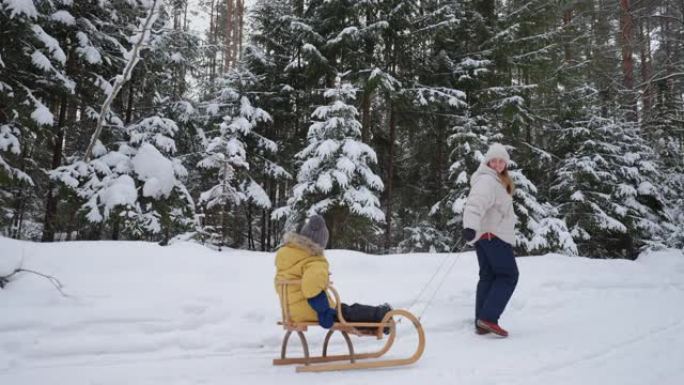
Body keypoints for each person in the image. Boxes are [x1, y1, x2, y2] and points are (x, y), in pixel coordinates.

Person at [274, 214, 392, 333]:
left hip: (291, 311)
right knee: (346, 312)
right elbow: (311, 288)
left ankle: (378, 320)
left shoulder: (286, 255)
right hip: (311, 310)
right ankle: (381, 315)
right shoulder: (314, 260)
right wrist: (324, 311)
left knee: (344, 311)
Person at [462, 143, 519, 337]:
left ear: (505, 163)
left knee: (488, 276)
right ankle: (488, 318)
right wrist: (469, 225)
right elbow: (475, 203)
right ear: (487, 162)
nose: (497, 164)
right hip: (493, 236)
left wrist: (473, 229)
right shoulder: (488, 180)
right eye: (493, 160)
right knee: (508, 275)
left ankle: (481, 321)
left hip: (485, 236)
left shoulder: (495, 180)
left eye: (501, 161)